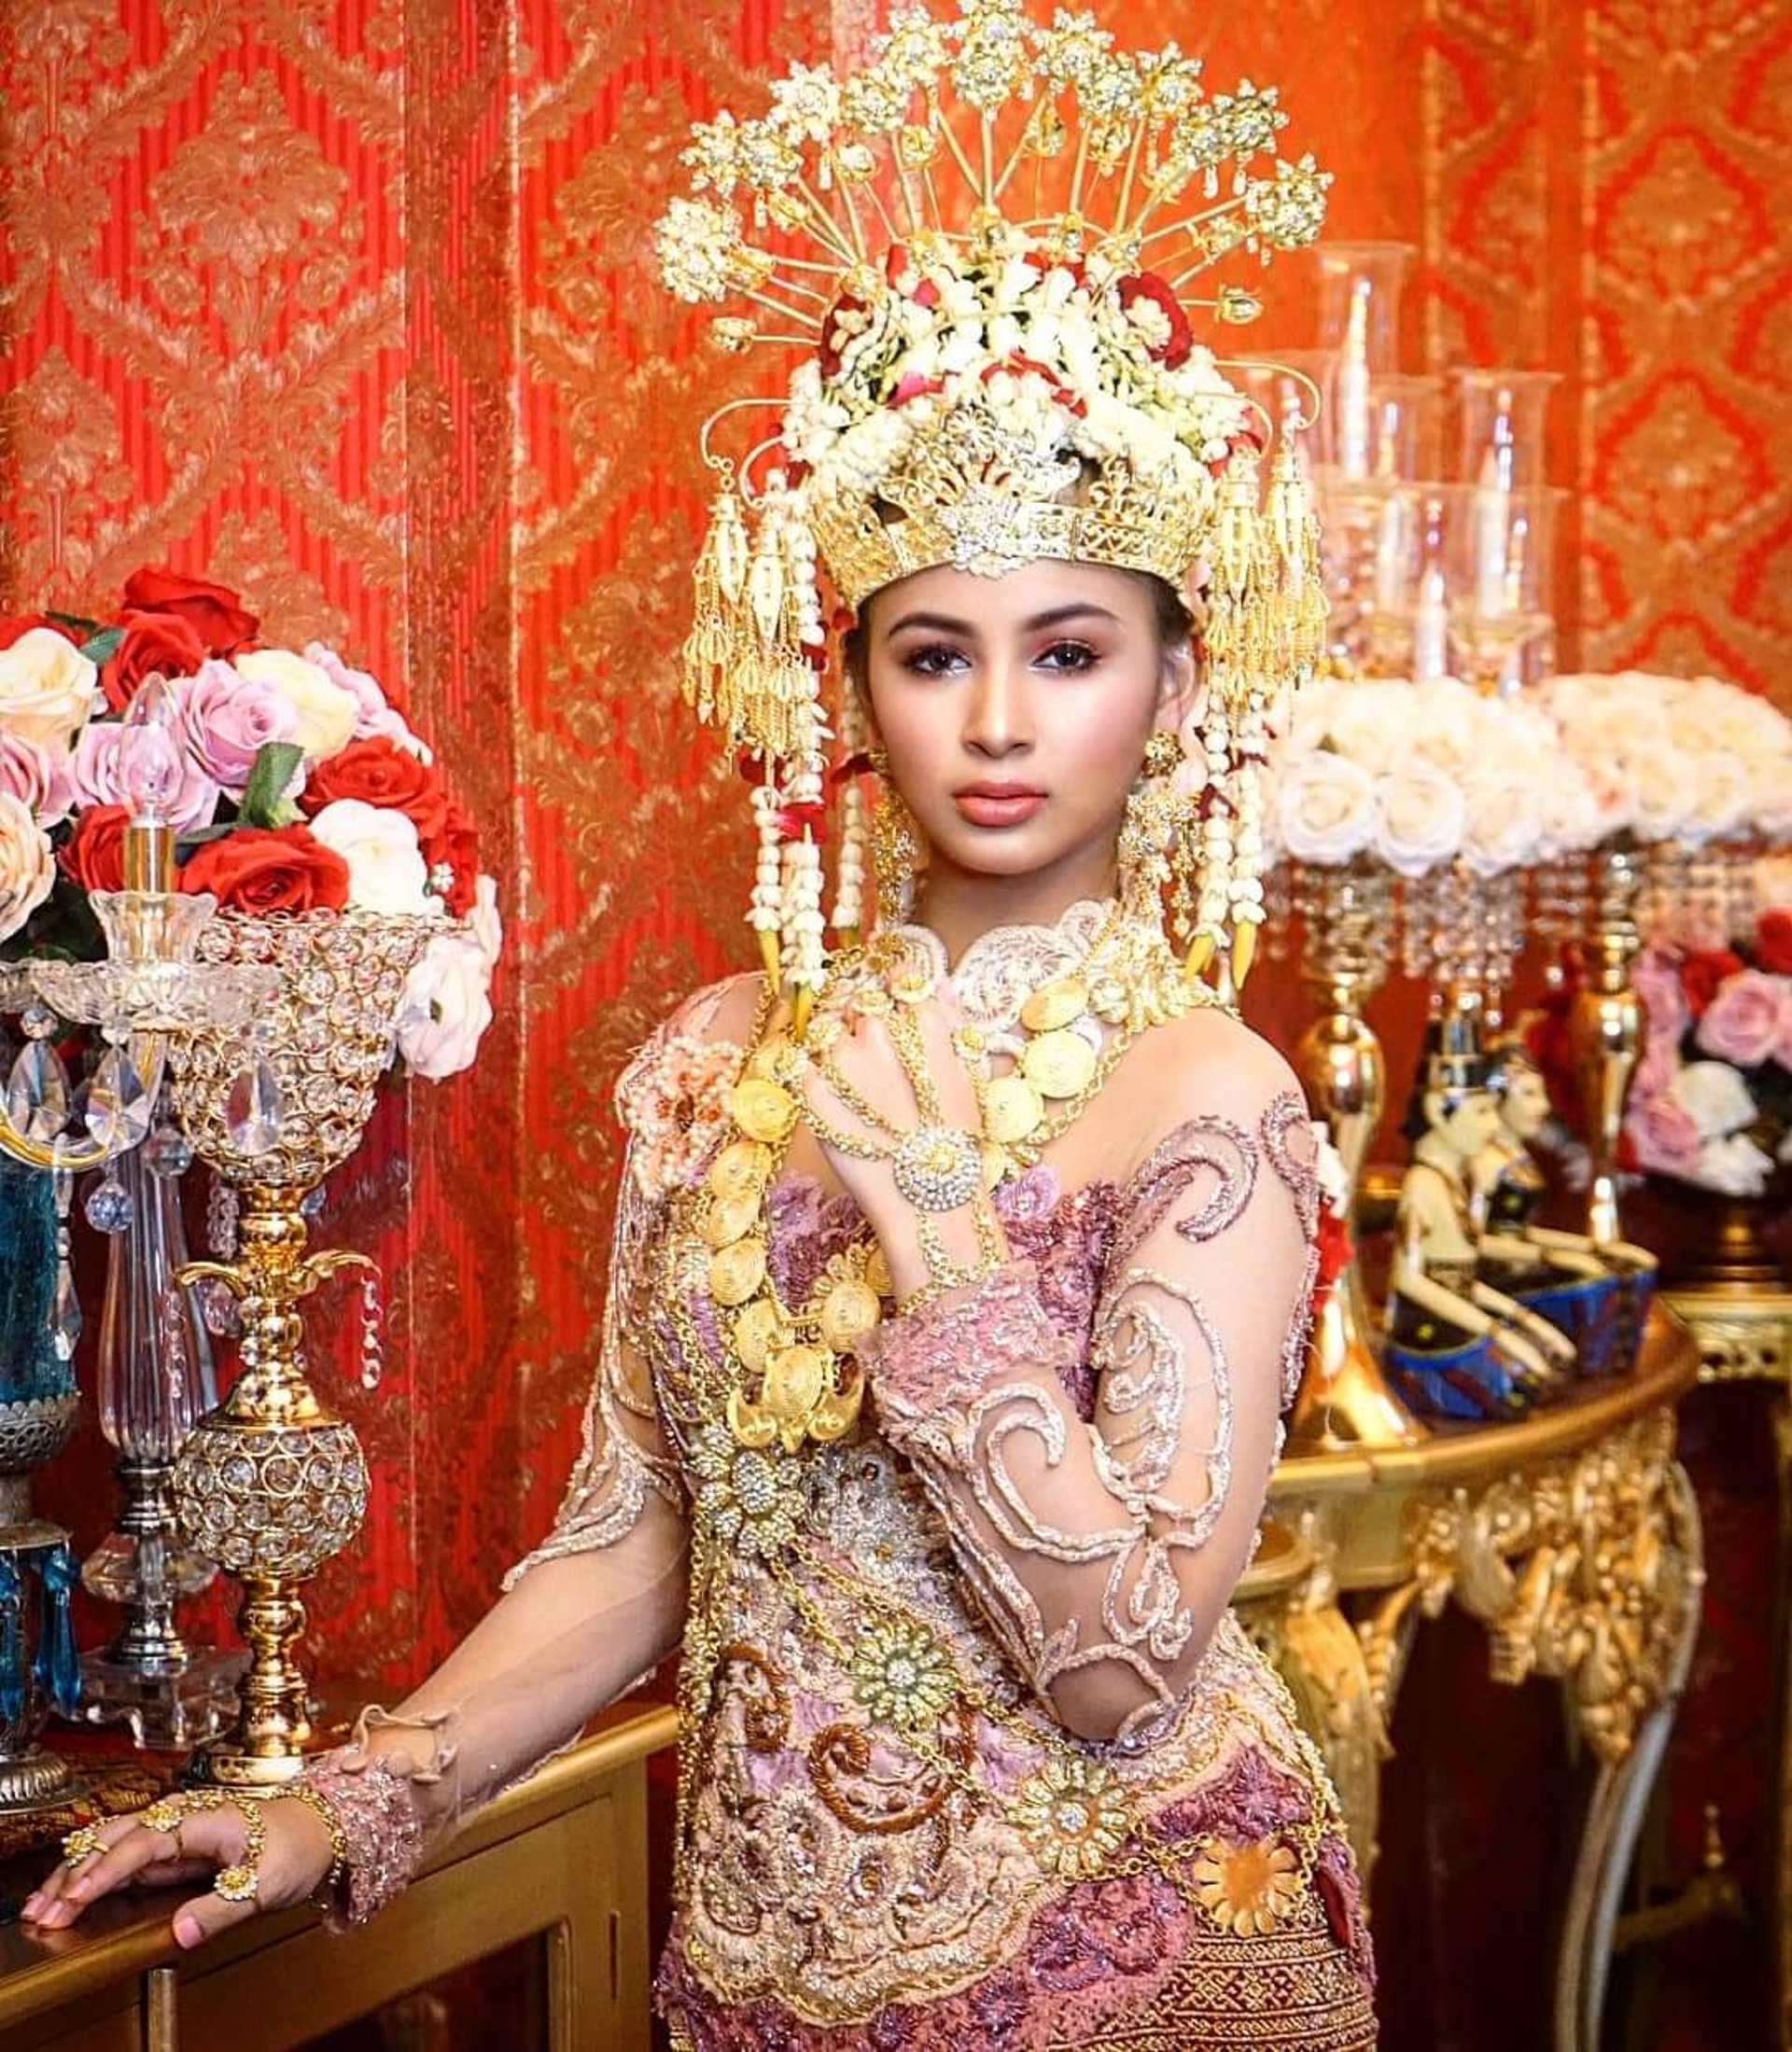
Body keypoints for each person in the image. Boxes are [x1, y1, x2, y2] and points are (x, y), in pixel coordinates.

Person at [25, 6, 1378, 2044]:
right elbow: (624, 1547)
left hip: (1136, 1952)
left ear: (1174, 693)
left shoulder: (1212, 1092)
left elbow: (1123, 1669)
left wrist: (941, 1234)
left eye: (1071, 651)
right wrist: (341, 1795)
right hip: (761, 1965)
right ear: (851, 687)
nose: (1000, 722)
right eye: (936, 652)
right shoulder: (717, 1054)